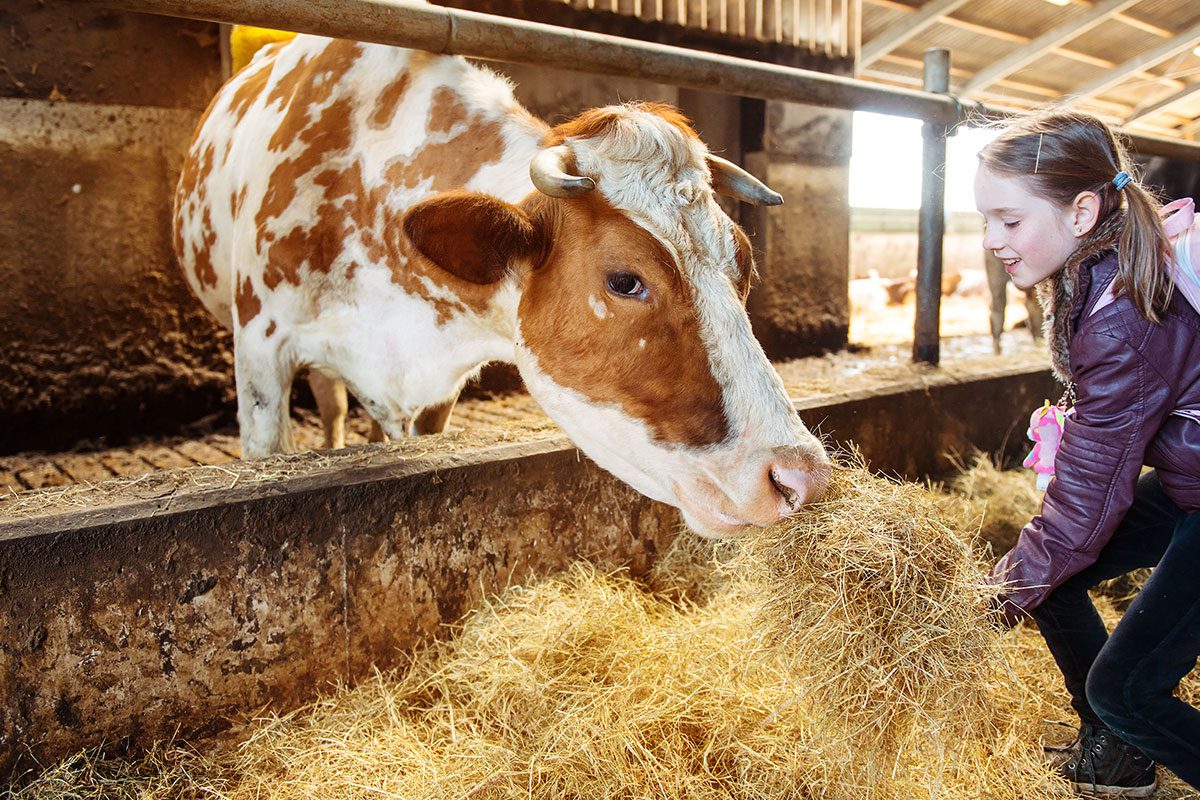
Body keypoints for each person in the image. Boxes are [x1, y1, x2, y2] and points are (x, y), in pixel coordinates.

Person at [975, 109, 1200, 797]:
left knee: (1127, 690)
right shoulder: (1102, 268)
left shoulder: (1126, 315)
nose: (991, 240)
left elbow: (1089, 501)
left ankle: (1120, 731)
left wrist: (988, 603)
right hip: (1192, 483)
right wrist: (1024, 574)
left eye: (1009, 221)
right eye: (986, 220)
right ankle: (1117, 759)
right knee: (1051, 574)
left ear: (1081, 210)